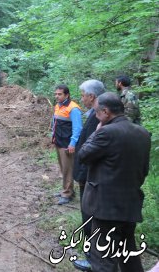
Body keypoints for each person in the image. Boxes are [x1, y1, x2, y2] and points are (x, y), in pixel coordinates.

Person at [79, 92, 150, 272]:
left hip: (105, 207)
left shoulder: (106, 132)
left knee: (103, 259)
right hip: (130, 204)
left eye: (96, 113)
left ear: (106, 112)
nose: (96, 116)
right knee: (128, 254)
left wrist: (96, 132)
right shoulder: (142, 133)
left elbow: (83, 155)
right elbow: (143, 170)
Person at [72, 80, 105, 272]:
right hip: (88, 174)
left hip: (90, 176)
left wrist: (82, 175)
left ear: (91, 96)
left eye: (83, 95)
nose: (82, 98)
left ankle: (94, 260)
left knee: (90, 216)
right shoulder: (95, 114)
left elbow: (91, 149)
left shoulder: (98, 118)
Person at [51, 84, 82, 205]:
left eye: (59, 94)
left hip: (67, 143)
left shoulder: (73, 108)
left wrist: (72, 143)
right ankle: (67, 189)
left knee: (68, 169)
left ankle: (67, 193)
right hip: (58, 141)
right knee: (63, 168)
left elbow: (78, 128)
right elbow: (55, 123)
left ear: (66, 95)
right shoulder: (58, 106)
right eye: (56, 94)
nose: (57, 96)